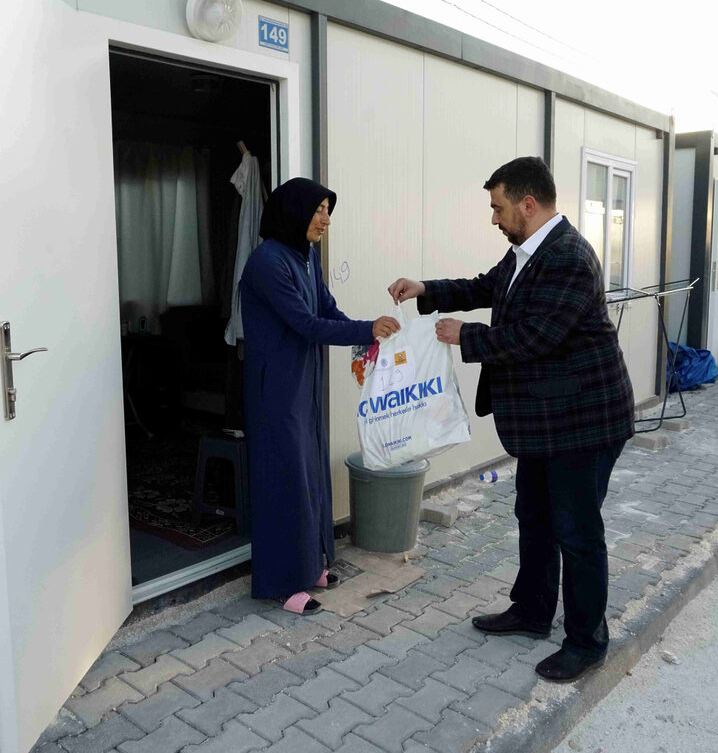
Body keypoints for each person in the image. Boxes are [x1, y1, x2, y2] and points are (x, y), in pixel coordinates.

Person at [387, 156, 634, 682]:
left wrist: (466, 337)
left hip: (584, 421)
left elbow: (537, 337)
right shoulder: (525, 252)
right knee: (535, 518)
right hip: (548, 419)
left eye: (498, 208)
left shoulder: (568, 257)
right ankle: (531, 611)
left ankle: (588, 641)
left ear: (527, 203)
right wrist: (427, 289)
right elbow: (484, 288)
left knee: (577, 532)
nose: (493, 219)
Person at [240, 178, 399, 614]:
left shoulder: (305, 256)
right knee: (284, 479)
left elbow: (327, 310)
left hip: (304, 384)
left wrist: (366, 333)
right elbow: (306, 324)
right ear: (294, 212)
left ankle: (310, 565)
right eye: (319, 210)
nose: (326, 220)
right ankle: (280, 583)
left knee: (311, 474)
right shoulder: (267, 262)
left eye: (329, 210)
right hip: (276, 389)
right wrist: (365, 329)